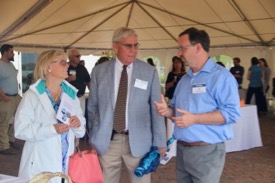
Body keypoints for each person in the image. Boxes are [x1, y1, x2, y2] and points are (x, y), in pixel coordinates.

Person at [154, 27, 240, 183]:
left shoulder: (221, 77)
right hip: (182, 150)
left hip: (206, 152)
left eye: (182, 47)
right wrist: (167, 111)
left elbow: (231, 114)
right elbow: (177, 112)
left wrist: (194, 119)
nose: (179, 53)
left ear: (198, 47)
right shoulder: (185, 79)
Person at [87, 27, 166, 183]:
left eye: (136, 45)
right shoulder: (99, 71)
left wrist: (160, 142)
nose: (133, 50)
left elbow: (156, 110)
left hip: (139, 141)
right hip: (107, 141)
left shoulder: (149, 71)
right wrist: (94, 136)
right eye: (128, 46)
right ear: (115, 46)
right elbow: (92, 107)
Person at [14, 50, 86, 182]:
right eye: (62, 62)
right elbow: (20, 130)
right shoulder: (32, 95)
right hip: (40, 164)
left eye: (67, 62)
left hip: (66, 162)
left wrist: (78, 123)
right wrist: (52, 129)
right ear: (48, 67)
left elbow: (80, 132)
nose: (67, 65)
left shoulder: (71, 94)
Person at [0, 44, 22, 155]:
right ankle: (3, 146)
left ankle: (10, 139)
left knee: (20, 117)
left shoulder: (11, 65)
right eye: (11, 52)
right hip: (6, 98)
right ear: (5, 52)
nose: (13, 54)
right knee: (3, 122)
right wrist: (3, 95)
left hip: (16, 97)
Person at [66, 48, 91, 112]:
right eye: (77, 56)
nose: (79, 58)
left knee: (80, 117)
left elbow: (88, 81)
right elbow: (59, 82)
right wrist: (68, 79)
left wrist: (93, 92)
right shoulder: (65, 67)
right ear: (70, 57)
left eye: (79, 56)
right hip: (68, 97)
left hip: (80, 97)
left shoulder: (82, 68)